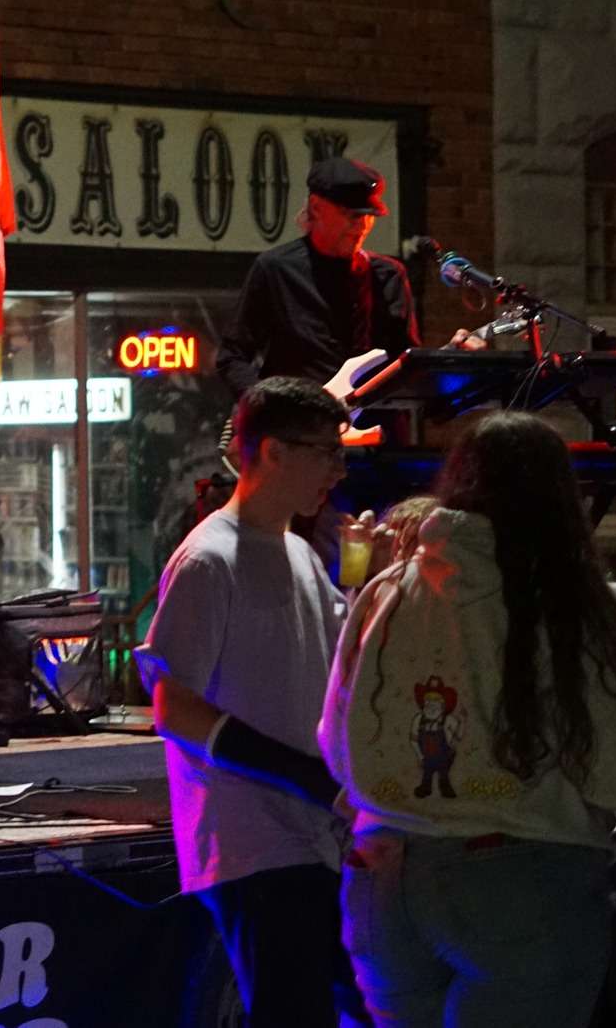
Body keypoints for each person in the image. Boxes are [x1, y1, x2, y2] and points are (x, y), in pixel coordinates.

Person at [320, 411, 616, 1027]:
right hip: (520, 881)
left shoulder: (387, 592)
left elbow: (337, 744)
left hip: (384, 880)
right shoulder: (561, 605)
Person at [136, 376, 370, 1027]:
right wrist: (304, 775)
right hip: (253, 845)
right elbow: (173, 706)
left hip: (311, 839)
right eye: (325, 450)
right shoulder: (209, 558)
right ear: (272, 452)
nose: (338, 468)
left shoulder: (298, 551)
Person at [216, 157, 423, 402]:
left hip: (371, 426)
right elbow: (232, 356)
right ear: (316, 207)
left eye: (369, 216)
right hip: (295, 427)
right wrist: (267, 406)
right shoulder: (276, 269)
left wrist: (448, 359)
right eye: (350, 215)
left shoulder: (388, 275)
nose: (361, 226)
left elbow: (406, 363)